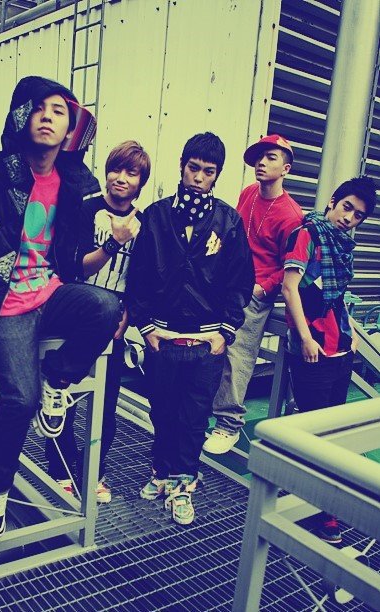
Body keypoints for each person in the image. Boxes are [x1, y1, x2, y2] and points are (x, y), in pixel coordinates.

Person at [0, 76, 121, 539]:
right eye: (39, 108)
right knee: (21, 398)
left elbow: (72, 260)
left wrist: (112, 242)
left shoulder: (74, 184)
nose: (48, 117)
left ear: (69, 127)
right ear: (21, 115)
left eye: (59, 111)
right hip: (3, 304)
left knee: (106, 306)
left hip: (49, 292)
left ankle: (59, 379)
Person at [126, 132, 254, 525]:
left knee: (195, 416)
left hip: (206, 340)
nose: (198, 177)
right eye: (193, 168)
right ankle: (161, 473)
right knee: (162, 410)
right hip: (162, 337)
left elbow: (241, 281)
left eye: (208, 171)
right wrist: (146, 327)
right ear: (182, 166)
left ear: (217, 175)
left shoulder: (228, 221)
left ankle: (184, 483)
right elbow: (138, 275)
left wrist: (224, 332)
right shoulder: (155, 216)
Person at [45, 140, 150, 502]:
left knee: (105, 405)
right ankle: (60, 470)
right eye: (115, 169)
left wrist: (129, 314)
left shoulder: (144, 223)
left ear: (141, 181)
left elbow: (144, 278)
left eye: (131, 173)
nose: (121, 178)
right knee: (63, 397)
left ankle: (93, 471)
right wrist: (113, 243)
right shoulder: (85, 208)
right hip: (78, 315)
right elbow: (73, 266)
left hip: (115, 322)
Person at [282, 175, 377, 543]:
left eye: (358, 215)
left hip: (340, 348)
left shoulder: (342, 246)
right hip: (313, 349)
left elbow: (338, 296)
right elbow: (290, 287)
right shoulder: (307, 234)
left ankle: (314, 503)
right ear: (332, 202)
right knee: (314, 432)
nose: (349, 218)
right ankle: (319, 512)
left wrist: (351, 333)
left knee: (333, 430)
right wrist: (305, 338)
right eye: (346, 207)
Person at [203, 134, 303, 454]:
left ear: (285, 168)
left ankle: (228, 424)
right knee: (201, 335)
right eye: (259, 156)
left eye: (271, 157)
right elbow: (232, 233)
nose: (261, 162)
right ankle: (197, 407)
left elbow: (290, 266)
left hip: (255, 290)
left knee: (237, 349)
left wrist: (263, 287)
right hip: (226, 279)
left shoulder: (292, 215)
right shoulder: (248, 192)